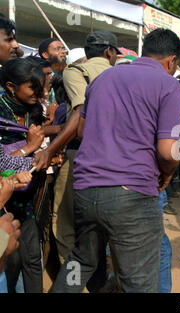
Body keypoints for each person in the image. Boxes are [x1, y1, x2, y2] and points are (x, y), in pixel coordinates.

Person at [49, 28, 180, 293]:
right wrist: (168, 173)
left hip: (87, 190)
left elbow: (82, 131)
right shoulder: (168, 85)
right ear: (172, 61)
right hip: (131, 196)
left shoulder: (103, 79)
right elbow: (169, 151)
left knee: (82, 259)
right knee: (139, 280)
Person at [34, 31, 120, 267]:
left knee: (65, 223)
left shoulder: (76, 72)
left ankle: (75, 284)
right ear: (109, 52)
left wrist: (50, 149)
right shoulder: (122, 75)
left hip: (80, 153)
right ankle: (104, 277)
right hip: (117, 158)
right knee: (103, 223)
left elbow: (80, 115)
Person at [0, 58, 46, 293]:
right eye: (33, 89)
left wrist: (44, 153)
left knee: (32, 260)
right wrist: (29, 149)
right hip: (5, 202)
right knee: (10, 261)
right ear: (10, 86)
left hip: (27, 198)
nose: (39, 95)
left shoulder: (33, 111)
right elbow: (3, 164)